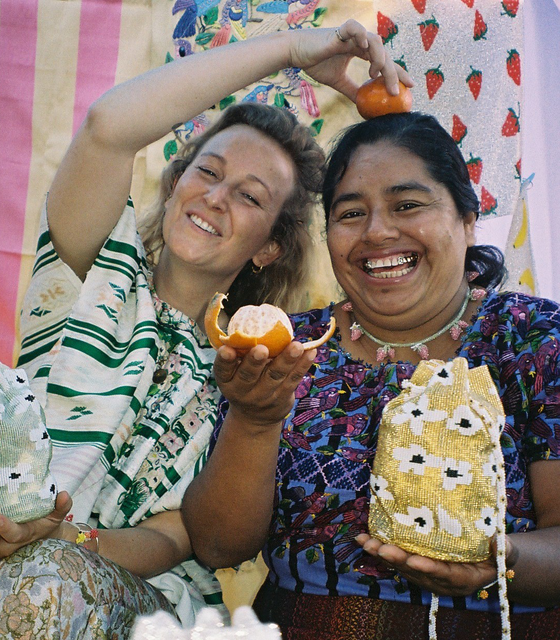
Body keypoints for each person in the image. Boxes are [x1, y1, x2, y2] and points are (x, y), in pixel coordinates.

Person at [0, 18, 410, 640]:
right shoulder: (91, 274)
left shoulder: (250, 367)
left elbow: (179, 533)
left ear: (269, 248)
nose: (215, 197)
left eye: (250, 197)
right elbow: (109, 127)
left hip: (128, 605)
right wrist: (288, 51)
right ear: (176, 180)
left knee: (44, 585)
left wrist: (71, 542)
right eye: (207, 172)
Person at [182, 112, 560, 639]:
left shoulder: (534, 339)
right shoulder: (286, 348)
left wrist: (499, 561)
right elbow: (218, 547)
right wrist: (255, 416)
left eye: (407, 205)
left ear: (467, 218)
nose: (378, 232)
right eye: (351, 212)